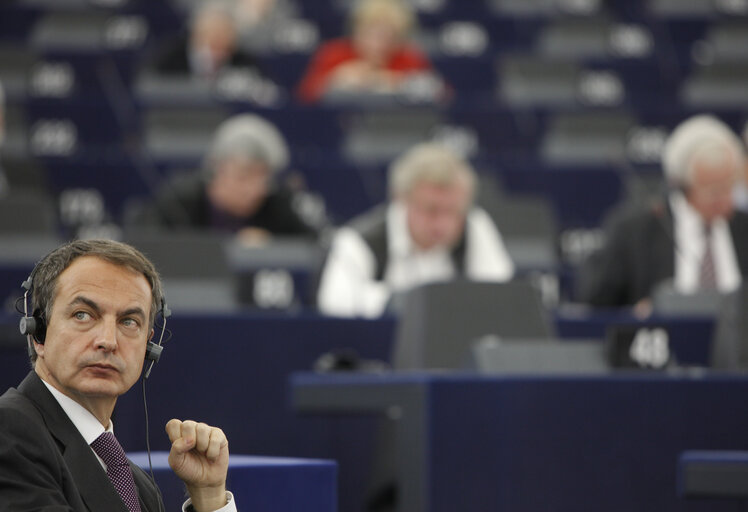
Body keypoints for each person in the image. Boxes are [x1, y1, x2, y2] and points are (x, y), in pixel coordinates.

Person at [0, 239, 236, 511]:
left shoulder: (137, 485)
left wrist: (208, 497)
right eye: (83, 315)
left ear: (149, 346)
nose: (108, 340)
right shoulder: (10, 430)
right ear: (38, 333)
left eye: (128, 322)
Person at [317, 142, 515, 318]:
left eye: (453, 211)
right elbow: (336, 312)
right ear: (401, 199)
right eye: (431, 210)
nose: (442, 224)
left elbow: (501, 302)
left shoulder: (475, 226)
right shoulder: (356, 241)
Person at [579, 114, 748, 309]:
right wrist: (634, 316)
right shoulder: (637, 229)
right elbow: (594, 298)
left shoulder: (744, 227)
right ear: (684, 184)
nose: (726, 200)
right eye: (714, 192)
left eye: (730, 188)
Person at [128, 113, 320, 243]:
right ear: (215, 171)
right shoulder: (179, 202)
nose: (254, 189)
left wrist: (272, 248)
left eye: (262, 178)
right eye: (243, 176)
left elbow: (313, 243)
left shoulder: (277, 204)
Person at [296, 0, 444, 104]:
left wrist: (395, 82)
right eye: (371, 34)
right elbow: (304, 96)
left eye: (389, 36)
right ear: (356, 30)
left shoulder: (409, 57)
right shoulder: (334, 53)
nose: (378, 44)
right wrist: (334, 80)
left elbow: (441, 95)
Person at [150, 0, 263, 82]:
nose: (219, 40)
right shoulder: (170, 58)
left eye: (224, 34)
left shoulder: (242, 61)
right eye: (214, 34)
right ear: (198, 35)